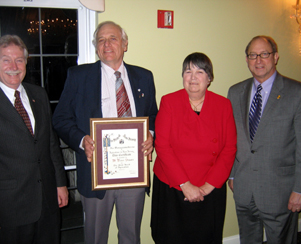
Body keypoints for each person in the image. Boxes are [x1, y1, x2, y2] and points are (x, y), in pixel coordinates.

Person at [52, 21, 158, 244]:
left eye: (112, 38)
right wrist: (81, 140)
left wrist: (150, 134)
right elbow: (60, 118)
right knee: (95, 238)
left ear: (125, 44)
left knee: (131, 236)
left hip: (133, 174)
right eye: (101, 40)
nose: (106, 44)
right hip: (95, 173)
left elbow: (152, 115)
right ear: (96, 47)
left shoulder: (144, 77)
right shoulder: (78, 76)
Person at [0, 35, 69, 244]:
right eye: (6, 59)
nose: (13, 66)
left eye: (19, 59)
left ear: (26, 63)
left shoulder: (39, 94)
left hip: (47, 202)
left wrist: (60, 184)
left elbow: (50, 144)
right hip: (9, 210)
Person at [151, 52, 237, 244]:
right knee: (171, 237)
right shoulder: (169, 102)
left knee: (205, 237)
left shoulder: (223, 105)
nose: (192, 77)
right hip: (172, 186)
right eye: (188, 71)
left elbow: (229, 148)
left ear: (209, 78)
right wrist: (185, 184)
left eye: (200, 72)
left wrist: (209, 185)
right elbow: (162, 145)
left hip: (210, 186)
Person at [227, 35, 301, 244]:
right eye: (253, 55)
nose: (258, 60)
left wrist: (299, 189)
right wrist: (232, 174)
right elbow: (231, 137)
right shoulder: (235, 92)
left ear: (275, 57)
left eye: (264, 54)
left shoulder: (296, 93)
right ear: (247, 59)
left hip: (281, 192)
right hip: (243, 188)